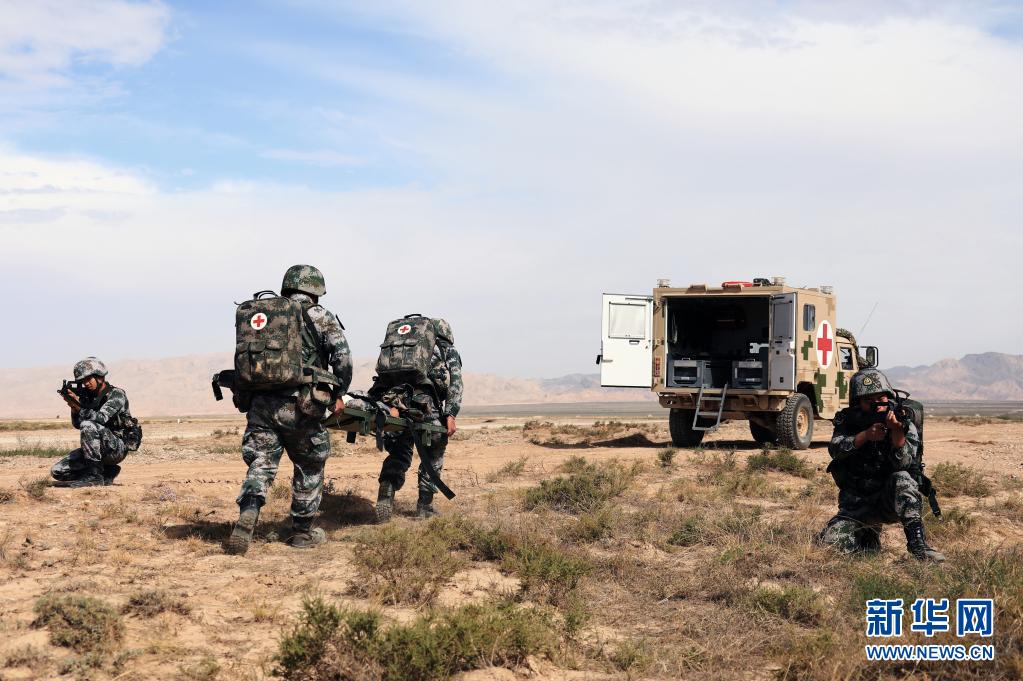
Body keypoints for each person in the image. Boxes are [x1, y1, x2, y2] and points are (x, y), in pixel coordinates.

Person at [226, 265, 352, 555]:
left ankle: (249, 513)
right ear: (315, 290)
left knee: (261, 464)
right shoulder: (319, 315)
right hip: (301, 405)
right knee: (309, 465)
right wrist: (339, 393)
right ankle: (302, 533)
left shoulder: (265, 315)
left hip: (260, 404)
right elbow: (342, 358)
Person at [816, 369, 945, 561]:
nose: (877, 405)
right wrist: (864, 436)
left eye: (881, 399)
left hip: (889, 501)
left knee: (902, 478)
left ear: (889, 397)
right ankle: (869, 535)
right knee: (830, 546)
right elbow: (835, 450)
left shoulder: (902, 420)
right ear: (858, 402)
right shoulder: (849, 420)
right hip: (856, 505)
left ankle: (918, 545)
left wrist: (897, 432)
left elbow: (905, 463)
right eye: (869, 400)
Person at [373, 317, 463, 521]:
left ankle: (387, 490)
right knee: (433, 454)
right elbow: (456, 383)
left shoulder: (405, 349)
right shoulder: (446, 350)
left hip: (396, 404)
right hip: (426, 406)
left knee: (399, 452)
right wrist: (451, 413)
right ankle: (425, 506)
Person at [53, 357, 139, 487]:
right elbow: (77, 424)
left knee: (87, 425)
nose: (86, 383)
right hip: (95, 448)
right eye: (83, 381)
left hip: (116, 448)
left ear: (100, 377)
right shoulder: (87, 397)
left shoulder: (116, 395)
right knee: (58, 471)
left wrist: (79, 407)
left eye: (88, 379)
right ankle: (107, 472)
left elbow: (101, 418)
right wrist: (74, 407)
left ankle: (94, 477)